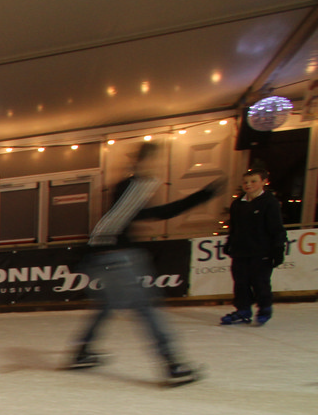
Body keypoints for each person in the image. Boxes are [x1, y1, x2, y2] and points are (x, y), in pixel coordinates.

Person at [69, 143, 221, 386]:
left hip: (107, 256)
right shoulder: (134, 186)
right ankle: (173, 364)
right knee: (145, 307)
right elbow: (115, 222)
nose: (157, 166)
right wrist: (202, 196)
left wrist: (90, 252)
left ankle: (82, 351)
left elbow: (148, 214)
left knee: (108, 304)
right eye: (154, 160)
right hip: (116, 257)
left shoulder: (131, 186)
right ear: (142, 161)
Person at [220, 167, 287, 325]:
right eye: (245, 182)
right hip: (240, 251)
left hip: (262, 252)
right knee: (241, 283)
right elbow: (234, 227)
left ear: (264, 182)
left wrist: (278, 249)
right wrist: (230, 243)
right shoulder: (238, 204)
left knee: (260, 282)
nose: (248, 185)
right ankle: (243, 310)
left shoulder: (270, 203)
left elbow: (276, 228)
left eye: (253, 181)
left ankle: (264, 309)